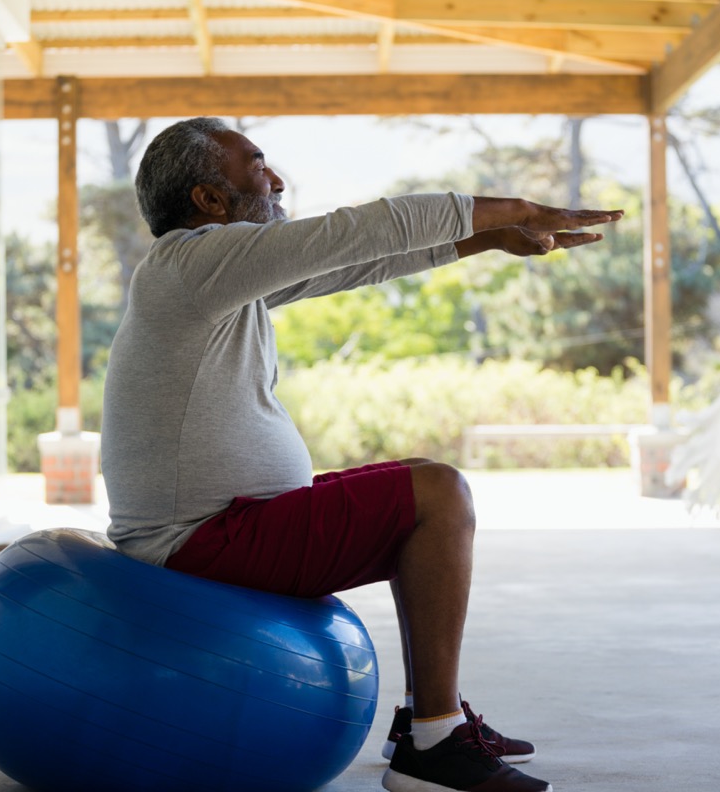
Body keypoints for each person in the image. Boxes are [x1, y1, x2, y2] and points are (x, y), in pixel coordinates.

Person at [102, 117, 622, 792]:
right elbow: (361, 230)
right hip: (198, 544)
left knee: (416, 482)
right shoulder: (197, 263)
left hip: (223, 528)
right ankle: (433, 749)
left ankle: (424, 722)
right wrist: (516, 208)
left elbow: (355, 263)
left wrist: (487, 237)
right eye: (257, 166)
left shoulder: (210, 275)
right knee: (438, 493)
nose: (278, 179)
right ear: (208, 199)